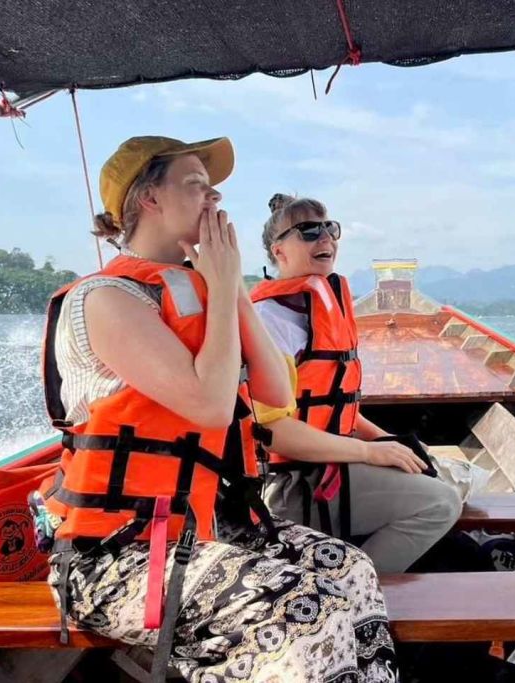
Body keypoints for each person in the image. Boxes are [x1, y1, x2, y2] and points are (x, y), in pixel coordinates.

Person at [40, 137, 397, 683]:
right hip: (114, 555)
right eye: (195, 185)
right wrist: (224, 282)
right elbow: (210, 407)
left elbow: (276, 393)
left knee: (349, 568)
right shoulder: (107, 299)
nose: (214, 197)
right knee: (302, 607)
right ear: (148, 198)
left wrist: (228, 288)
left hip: (206, 529)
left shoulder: (207, 289)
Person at [247, 193, 462, 574]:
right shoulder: (270, 321)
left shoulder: (321, 308)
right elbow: (272, 432)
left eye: (329, 228)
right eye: (308, 231)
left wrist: (389, 442)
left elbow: (335, 410)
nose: (325, 238)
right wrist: (368, 453)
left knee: (439, 476)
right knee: (440, 504)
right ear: (279, 251)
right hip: (293, 485)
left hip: (330, 464)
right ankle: (347, 588)